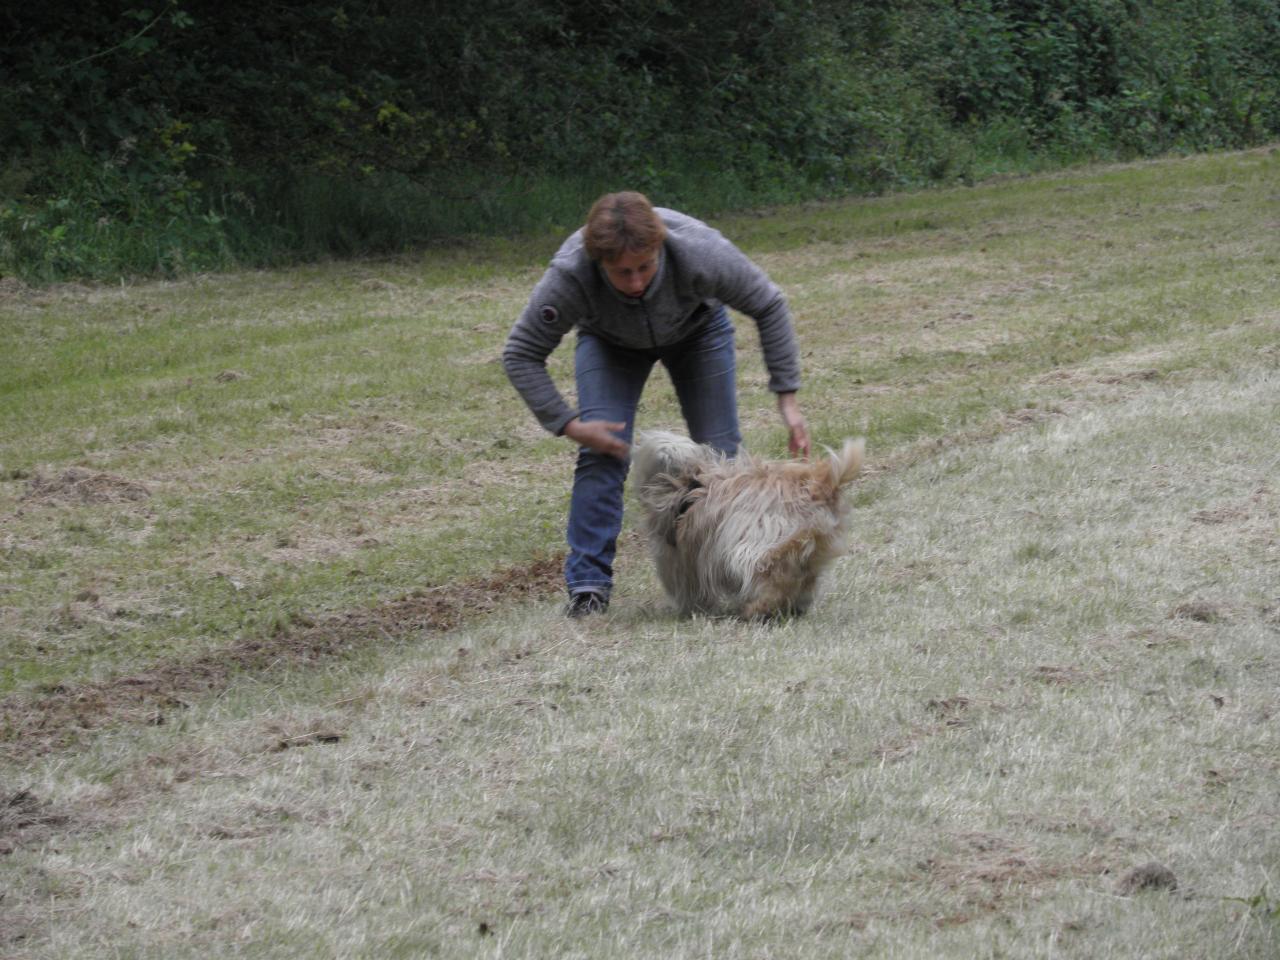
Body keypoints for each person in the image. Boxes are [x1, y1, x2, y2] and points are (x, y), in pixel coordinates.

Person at [503, 191, 809, 616]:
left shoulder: (700, 251)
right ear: (598, 263)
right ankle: (588, 588)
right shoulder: (571, 274)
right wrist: (570, 424)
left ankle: (733, 574)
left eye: (645, 267)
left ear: (660, 246)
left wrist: (787, 397)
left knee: (720, 458)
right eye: (621, 273)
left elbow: (769, 303)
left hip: (698, 331)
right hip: (609, 343)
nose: (636, 282)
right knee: (601, 454)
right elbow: (520, 353)